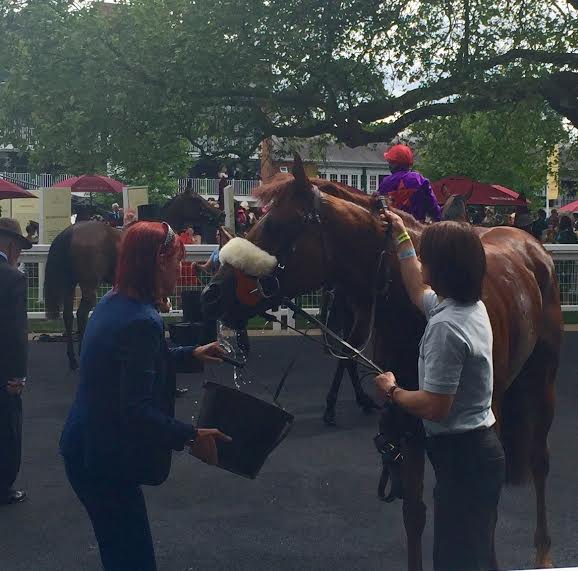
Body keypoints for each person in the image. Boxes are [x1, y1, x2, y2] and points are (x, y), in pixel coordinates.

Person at [60, 221, 231, 571]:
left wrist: (191, 353)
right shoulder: (142, 320)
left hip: (85, 446)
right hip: (102, 459)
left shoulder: (113, 302)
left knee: (121, 550)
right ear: (158, 262)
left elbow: (133, 359)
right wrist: (191, 436)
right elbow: (135, 409)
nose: (180, 268)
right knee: (132, 560)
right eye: (175, 261)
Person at [375, 212, 505, 571]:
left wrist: (394, 390)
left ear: (443, 267)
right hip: (478, 454)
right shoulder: (467, 308)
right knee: (474, 555)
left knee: (456, 561)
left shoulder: (445, 328)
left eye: (426, 254)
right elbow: (417, 289)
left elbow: (434, 406)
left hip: (462, 458)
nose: (422, 259)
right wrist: (402, 236)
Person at [0, 218, 32, 505]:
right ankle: (3, 486)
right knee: (7, 429)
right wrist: (17, 375)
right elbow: (15, 333)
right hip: (2, 369)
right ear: (10, 245)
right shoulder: (12, 278)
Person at [378, 144, 441, 222]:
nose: (389, 165)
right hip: (417, 228)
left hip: (393, 228)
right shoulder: (419, 179)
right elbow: (433, 206)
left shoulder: (385, 182)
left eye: (390, 162)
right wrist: (438, 220)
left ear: (395, 164)